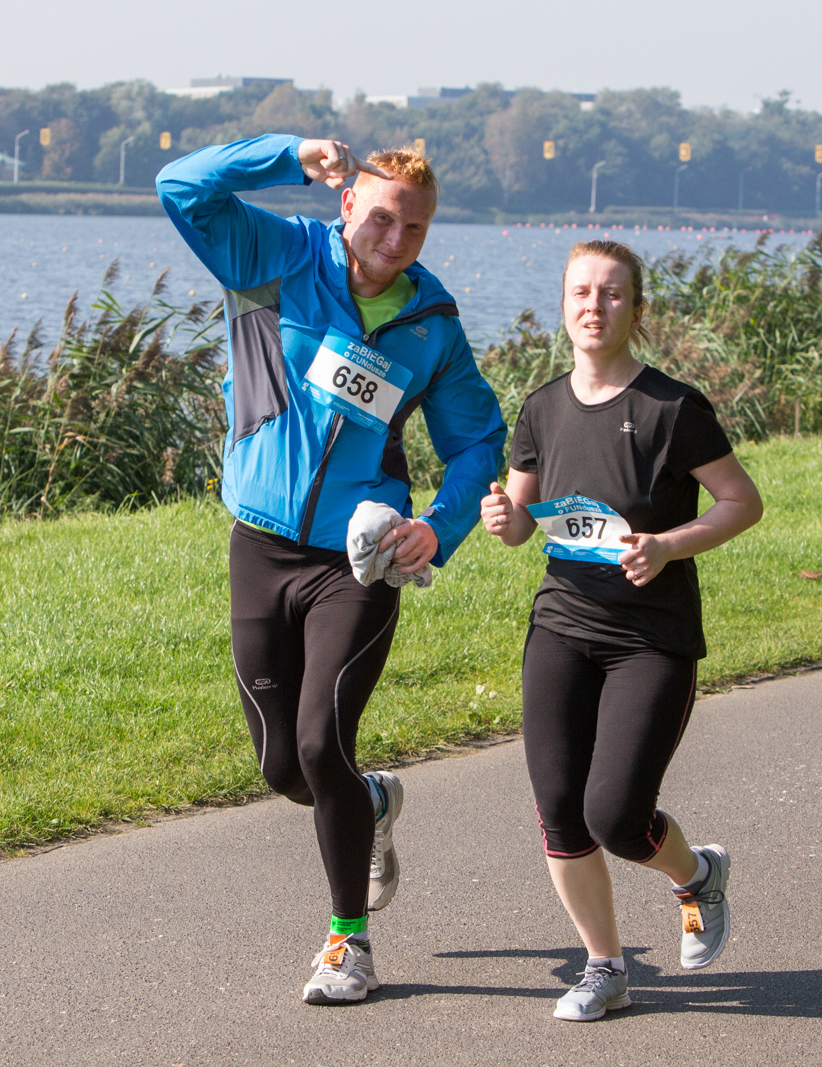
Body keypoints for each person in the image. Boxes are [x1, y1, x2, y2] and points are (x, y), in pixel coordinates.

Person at [157, 135, 506, 1004]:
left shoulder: (432, 324)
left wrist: (437, 526)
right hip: (262, 542)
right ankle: (372, 802)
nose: (394, 239)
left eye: (414, 228)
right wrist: (287, 154)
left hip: (363, 557)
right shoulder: (276, 255)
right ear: (345, 202)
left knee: (321, 742)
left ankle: (348, 943)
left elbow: (478, 443)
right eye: (381, 216)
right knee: (285, 768)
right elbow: (180, 185)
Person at [479, 240, 764, 1021]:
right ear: (564, 304)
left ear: (637, 310)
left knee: (615, 813)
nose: (593, 306)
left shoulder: (673, 409)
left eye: (611, 294)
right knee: (560, 810)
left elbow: (742, 503)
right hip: (562, 626)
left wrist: (668, 545)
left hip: (651, 638)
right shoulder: (540, 407)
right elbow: (518, 523)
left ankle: (696, 874)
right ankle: (604, 965)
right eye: (580, 292)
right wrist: (500, 516)